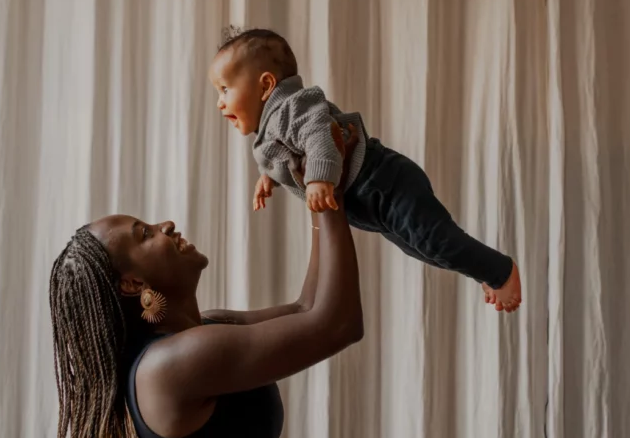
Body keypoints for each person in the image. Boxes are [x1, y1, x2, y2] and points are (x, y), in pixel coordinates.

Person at [49, 123, 363, 438]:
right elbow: (339, 324)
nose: (165, 225)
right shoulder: (172, 363)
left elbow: (306, 308)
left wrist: (314, 188)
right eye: (145, 235)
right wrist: (330, 191)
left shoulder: (204, 330)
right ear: (133, 284)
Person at [208, 26, 522, 313]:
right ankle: (482, 269)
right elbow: (290, 154)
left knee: (433, 239)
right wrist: (269, 179)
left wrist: (318, 179)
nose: (220, 103)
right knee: (421, 248)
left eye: (225, 89)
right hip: (371, 200)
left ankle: (499, 270)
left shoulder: (293, 106)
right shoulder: (272, 126)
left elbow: (318, 135)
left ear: (265, 85)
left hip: (385, 182)